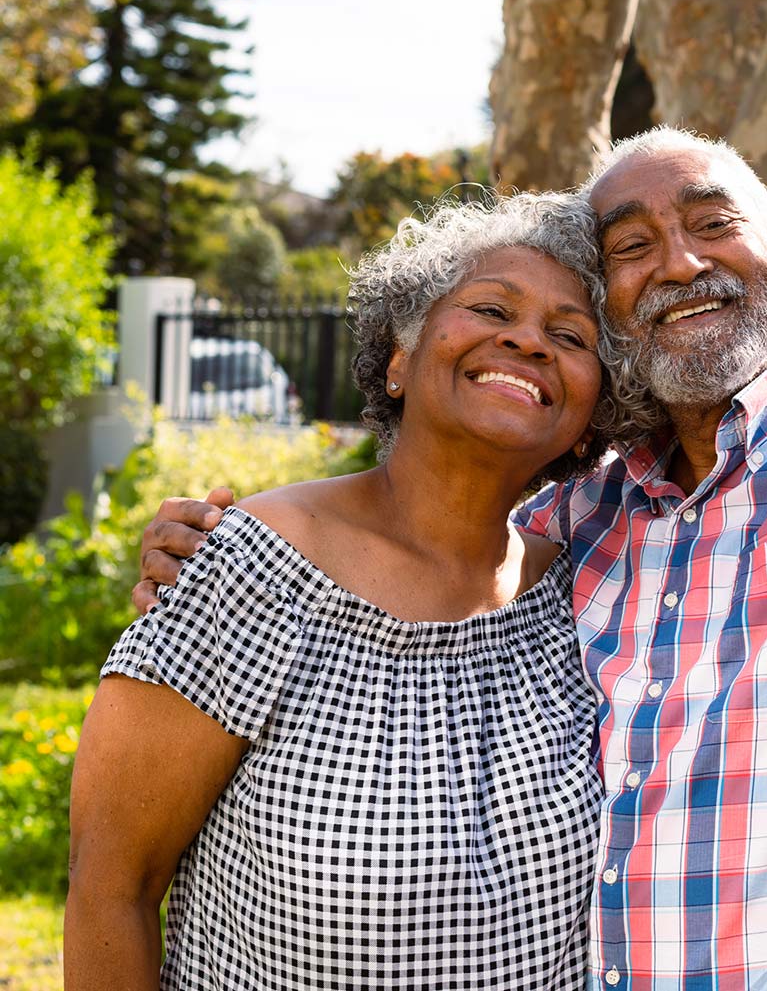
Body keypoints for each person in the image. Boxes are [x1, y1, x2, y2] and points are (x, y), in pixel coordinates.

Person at [136, 115, 767, 990]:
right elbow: (408, 552)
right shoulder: (575, 523)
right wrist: (214, 554)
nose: (677, 261)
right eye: (631, 246)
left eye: (712, 224)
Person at [66, 191, 623, 990]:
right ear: (400, 358)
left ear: (590, 416)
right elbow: (110, 886)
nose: (527, 339)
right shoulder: (250, 569)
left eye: (569, 336)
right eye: (491, 306)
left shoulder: (585, 593)